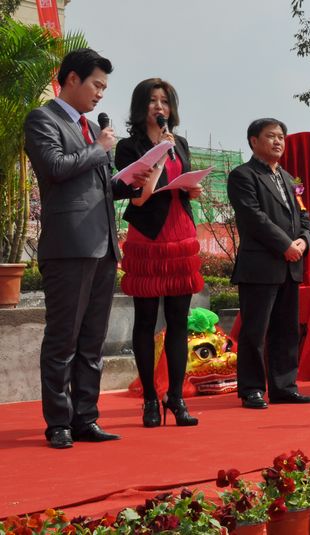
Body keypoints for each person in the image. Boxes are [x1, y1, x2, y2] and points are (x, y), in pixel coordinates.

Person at [23, 48, 146, 448]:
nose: (100, 94)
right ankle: (58, 423)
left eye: (104, 88)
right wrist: (100, 148)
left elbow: (100, 187)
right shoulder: (43, 119)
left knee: (92, 341)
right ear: (72, 79)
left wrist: (130, 181)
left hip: (103, 246)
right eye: (96, 85)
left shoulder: (93, 129)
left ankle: (86, 418)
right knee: (63, 339)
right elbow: (55, 168)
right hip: (68, 247)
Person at [114, 78, 203, 428]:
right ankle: (150, 398)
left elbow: (184, 184)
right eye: (152, 101)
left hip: (181, 233)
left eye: (164, 101)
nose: (159, 107)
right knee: (146, 319)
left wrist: (192, 188)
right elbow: (137, 198)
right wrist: (161, 157)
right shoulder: (128, 147)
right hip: (149, 235)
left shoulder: (180, 143)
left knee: (178, 322)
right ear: (141, 106)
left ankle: (176, 397)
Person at [228, 118, 310, 408]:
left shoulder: (292, 180)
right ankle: (252, 388)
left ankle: (284, 386)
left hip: (291, 265)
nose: (278, 141)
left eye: (281, 137)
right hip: (260, 266)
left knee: (287, 330)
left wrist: (303, 241)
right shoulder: (243, 175)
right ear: (254, 141)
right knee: (255, 331)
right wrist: (285, 245)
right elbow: (253, 217)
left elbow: (305, 217)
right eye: (271, 136)